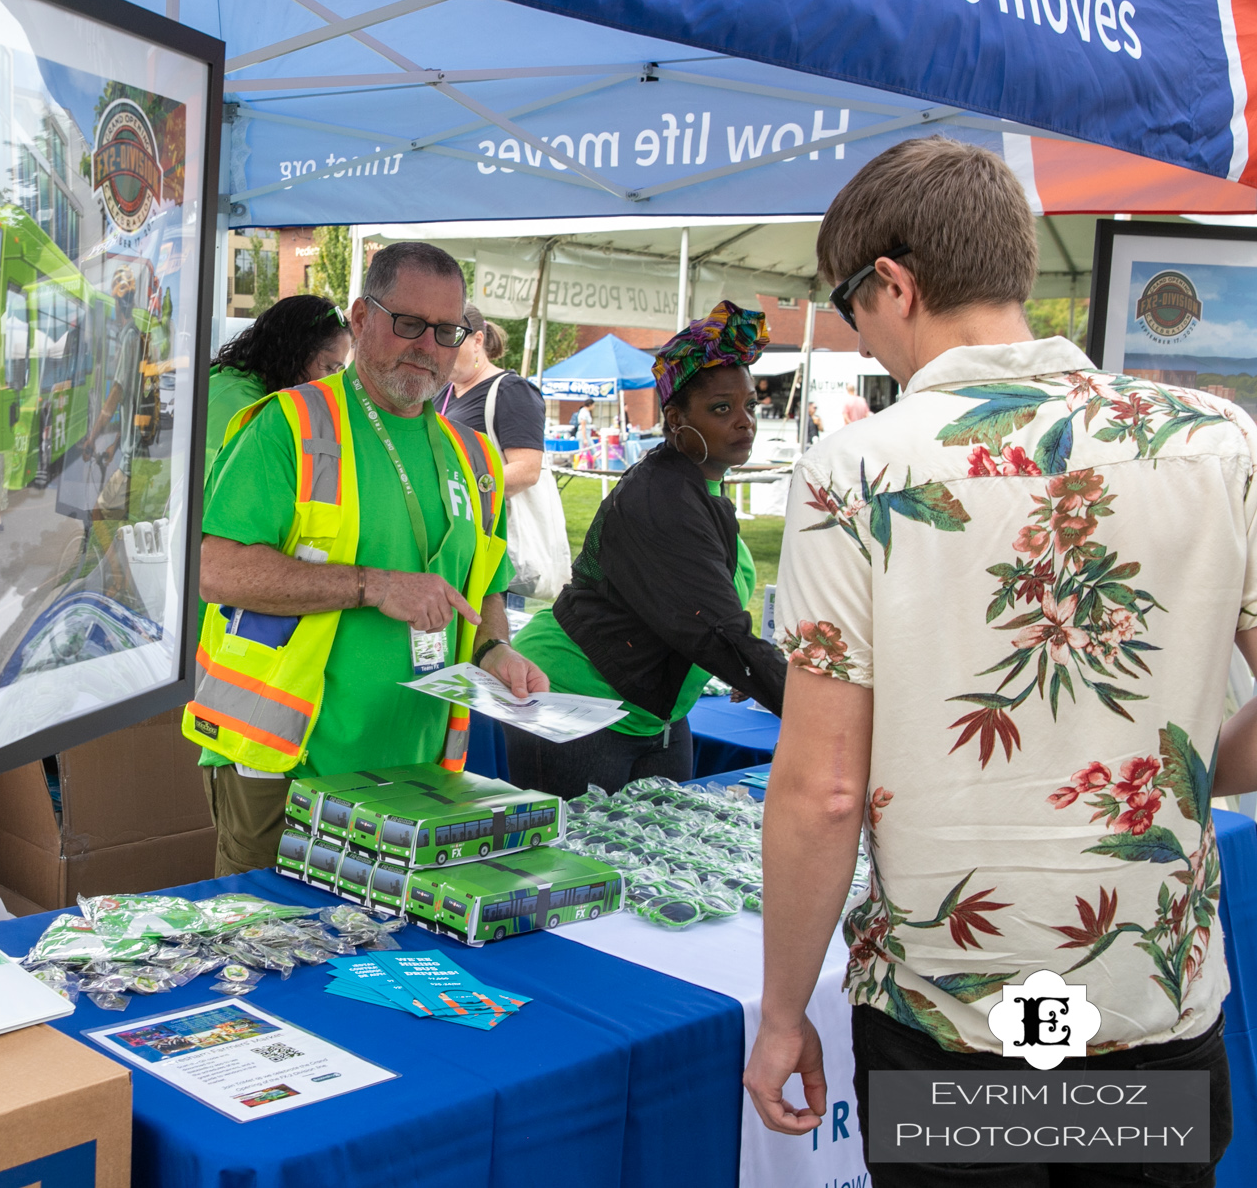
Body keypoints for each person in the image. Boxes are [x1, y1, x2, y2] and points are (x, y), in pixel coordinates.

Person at [744, 137, 1256, 1182]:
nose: (860, 333)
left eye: (850, 307)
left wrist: (782, 1011)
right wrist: (1189, 766)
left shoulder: (860, 468)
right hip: (1143, 1002)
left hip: (949, 1017)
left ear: (892, 281)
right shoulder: (1214, 443)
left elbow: (823, 789)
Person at [187, 242, 542, 876]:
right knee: (268, 950)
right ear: (360, 318)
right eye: (407, 323)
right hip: (283, 763)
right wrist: (372, 585)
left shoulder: (477, 459)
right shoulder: (287, 425)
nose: (426, 346)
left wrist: (496, 652)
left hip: (416, 767)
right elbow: (216, 571)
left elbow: (483, 586)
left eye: (446, 331)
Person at [505, 301, 788, 797]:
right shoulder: (662, 499)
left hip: (656, 713)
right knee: (583, 866)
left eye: (750, 406)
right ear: (676, 418)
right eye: (722, 409)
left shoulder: (703, 485)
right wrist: (810, 707)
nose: (745, 422)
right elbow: (715, 629)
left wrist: (741, 662)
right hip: (578, 702)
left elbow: (704, 615)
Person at [440, 306, 548, 602]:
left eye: (452, 341)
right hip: (456, 550)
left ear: (477, 341)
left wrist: (461, 488)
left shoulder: (511, 391)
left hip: (497, 551)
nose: (443, 353)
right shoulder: (444, 392)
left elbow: (527, 470)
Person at [203, 293, 352, 482]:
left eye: (339, 370)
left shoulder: (234, 383)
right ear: (296, 352)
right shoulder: (243, 407)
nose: (333, 381)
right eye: (329, 367)